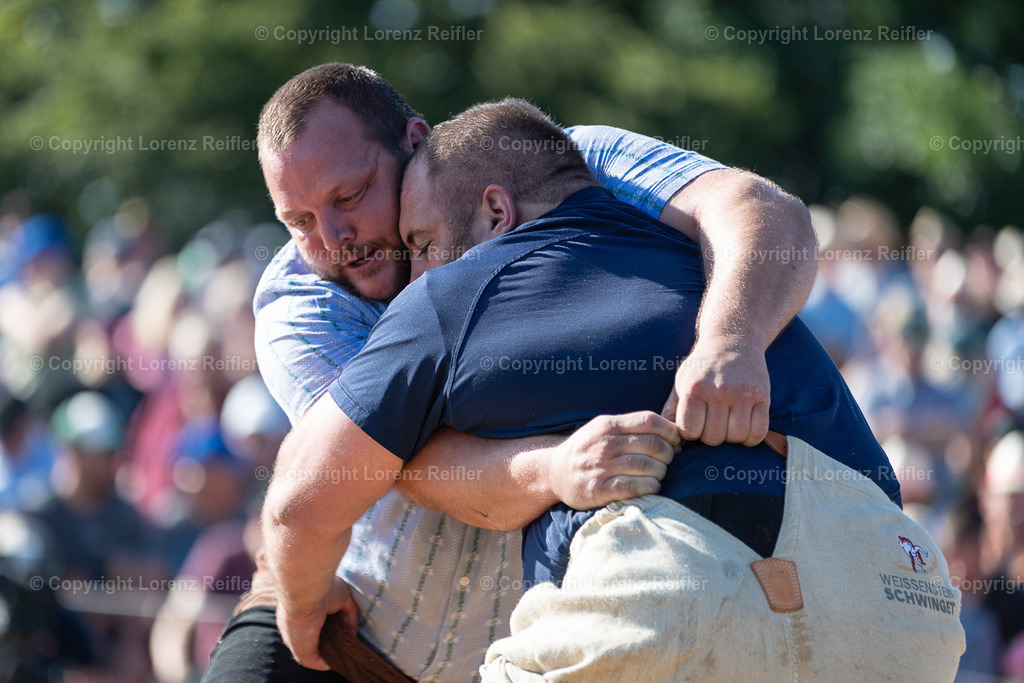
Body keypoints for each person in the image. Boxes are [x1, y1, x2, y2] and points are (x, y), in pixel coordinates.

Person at [262, 98, 963, 679]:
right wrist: (730, 339)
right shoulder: (697, 249)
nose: (334, 236)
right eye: (298, 224)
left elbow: (303, 501)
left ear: (496, 213)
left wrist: (299, 608)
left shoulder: (446, 293)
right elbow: (753, 214)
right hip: (901, 597)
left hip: (660, 597)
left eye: (418, 238)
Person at [209, 61, 818, 681]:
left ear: (415, 142)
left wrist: (730, 340)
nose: (335, 239)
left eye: (349, 196)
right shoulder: (301, 303)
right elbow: (394, 466)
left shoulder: (552, 164)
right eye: (300, 222)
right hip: (346, 637)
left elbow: (764, 214)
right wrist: (556, 468)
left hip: (538, 653)